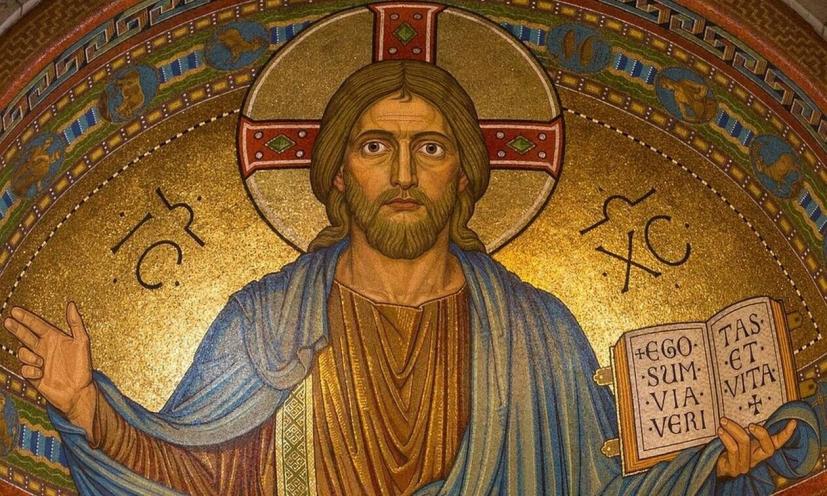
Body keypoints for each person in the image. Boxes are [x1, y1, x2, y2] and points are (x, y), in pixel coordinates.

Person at [3, 60, 820, 495]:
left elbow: (596, 488)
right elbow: (202, 477)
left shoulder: (536, 329)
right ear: (337, 173)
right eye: (374, 147)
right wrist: (87, 408)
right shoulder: (266, 321)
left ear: (463, 175)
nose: (402, 173)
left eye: (429, 148)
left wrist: (710, 470)